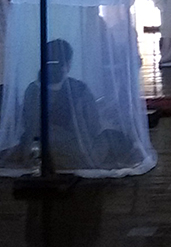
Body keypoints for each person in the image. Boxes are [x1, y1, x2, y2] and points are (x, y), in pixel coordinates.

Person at [22, 39, 108, 170]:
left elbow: (27, 124)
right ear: (67, 64)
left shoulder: (32, 89)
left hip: (38, 152)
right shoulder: (79, 89)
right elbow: (94, 126)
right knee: (110, 137)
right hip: (76, 154)